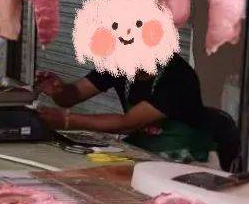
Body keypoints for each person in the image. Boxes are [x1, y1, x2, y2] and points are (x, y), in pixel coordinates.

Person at [35, 52, 217, 162]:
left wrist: (67, 120)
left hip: (182, 158)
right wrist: (58, 90)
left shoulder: (178, 76)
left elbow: (128, 123)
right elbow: (73, 95)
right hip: (143, 150)